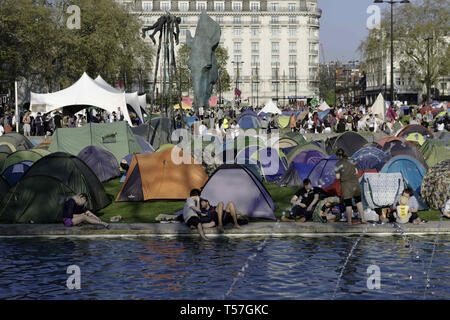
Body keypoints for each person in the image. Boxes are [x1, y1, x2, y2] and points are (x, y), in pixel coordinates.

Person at [334, 148, 367, 225]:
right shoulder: (352, 161)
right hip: (355, 183)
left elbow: (338, 177)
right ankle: (363, 219)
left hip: (346, 186)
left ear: (338, 156)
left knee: (348, 203)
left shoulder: (337, 164)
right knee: (358, 202)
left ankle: (349, 222)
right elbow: (356, 172)